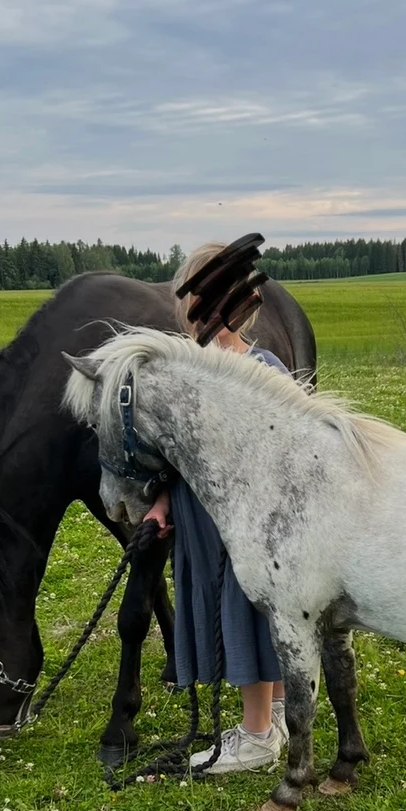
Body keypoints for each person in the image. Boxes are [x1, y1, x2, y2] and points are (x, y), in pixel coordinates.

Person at [144, 243, 289, 773]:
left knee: (250, 613)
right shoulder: (185, 369)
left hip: (246, 526)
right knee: (237, 612)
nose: (207, 306)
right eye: (199, 294)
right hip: (199, 520)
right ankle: (271, 715)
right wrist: (161, 501)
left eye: (218, 294)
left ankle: (257, 737)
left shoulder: (263, 367)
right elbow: (170, 455)